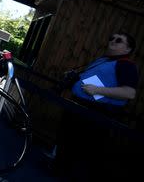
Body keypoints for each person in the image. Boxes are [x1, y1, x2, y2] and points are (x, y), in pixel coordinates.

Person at [53, 32, 138, 179]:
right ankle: (58, 169)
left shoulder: (126, 65)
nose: (113, 41)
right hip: (79, 107)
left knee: (82, 148)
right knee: (67, 140)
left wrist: (98, 90)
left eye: (119, 40)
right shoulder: (104, 60)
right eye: (111, 38)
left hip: (95, 113)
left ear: (127, 49)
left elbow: (129, 93)